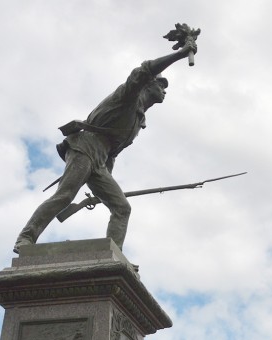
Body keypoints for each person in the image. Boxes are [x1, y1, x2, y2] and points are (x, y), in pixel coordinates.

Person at [13, 30, 198, 253]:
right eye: (161, 85)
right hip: (85, 145)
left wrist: (105, 180)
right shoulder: (128, 96)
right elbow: (144, 70)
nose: (164, 91)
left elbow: (112, 151)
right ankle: (25, 238)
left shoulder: (138, 120)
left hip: (100, 159)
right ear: (148, 85)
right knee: (65, 196)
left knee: (122, 207)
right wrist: (181, 54)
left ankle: (113, 256)